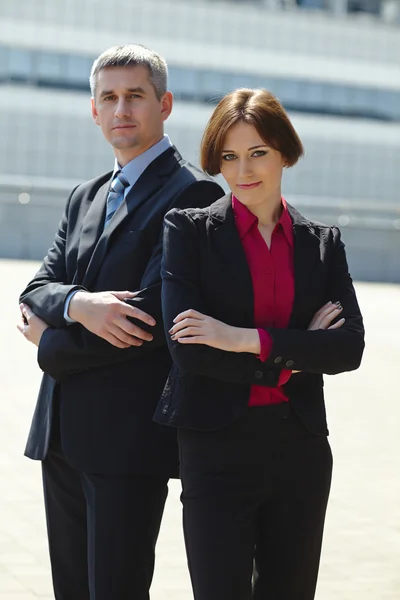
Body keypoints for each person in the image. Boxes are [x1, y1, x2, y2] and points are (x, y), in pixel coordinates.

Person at [17, 44, 223, 600]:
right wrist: (81, 306)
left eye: (135, 96)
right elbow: (36, 291)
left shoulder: (195, 196)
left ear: (166, 104)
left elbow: (149, 319)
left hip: (126, 442)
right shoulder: (85, 196)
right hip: (59, 434)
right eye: (108, 97)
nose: (121, 109)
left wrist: (49, 344)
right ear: (93, 109)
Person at [154, 88, 365, 600]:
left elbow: (349, 348)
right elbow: (189, 350)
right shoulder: (189, 232)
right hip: (215, 448)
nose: (243, 170)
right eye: (229, 156)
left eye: (257, 153)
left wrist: (240, 338)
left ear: (284, 153)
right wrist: (294, 352)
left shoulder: (322, 243)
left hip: (300, 449)